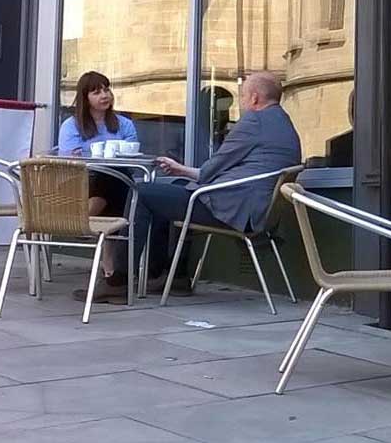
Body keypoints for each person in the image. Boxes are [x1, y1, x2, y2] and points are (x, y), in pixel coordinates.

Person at [80, 71, 302, 303]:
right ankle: (174, 276)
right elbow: (225, 171)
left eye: (244, 95)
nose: (242, 102)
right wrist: (181, 170)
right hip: (255, 209)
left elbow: (211, 169)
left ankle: (119, 282)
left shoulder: (253, 122)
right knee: (172, 186)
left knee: (142, 193)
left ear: (255, 98)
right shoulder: (284, 124)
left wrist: (187, 171)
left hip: (233, 210)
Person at [58, 71, 139, 218]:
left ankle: (84, 224)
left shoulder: (125, 124)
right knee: (116, 182)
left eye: (107, 90)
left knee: (116, 179)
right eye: (96, 92)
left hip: (118, 178)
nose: (104, 95)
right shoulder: (71, 125)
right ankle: (107, 235)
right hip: (79, 182)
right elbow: (69, 163)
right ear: (85, 98)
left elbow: (131, 158)